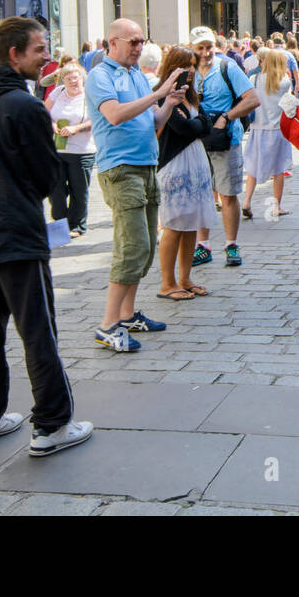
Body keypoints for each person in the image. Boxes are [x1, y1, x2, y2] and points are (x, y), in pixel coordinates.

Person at [0, 16, 92, 457]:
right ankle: (51, 425)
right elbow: (48, 175)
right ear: (14, 54)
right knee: (37, 330)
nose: (47, 55)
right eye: (39, 48)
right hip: (14, 233)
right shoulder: (24, 105)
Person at [86, 18, 187, 352]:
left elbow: (153, 121)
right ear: (112, 42)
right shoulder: (101, 76)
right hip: (121, 169)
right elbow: (114, 115)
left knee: (144, 249)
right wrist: (157, 93)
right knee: (132, 247)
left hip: (146, 166)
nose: (139, 47)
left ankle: (127, 315)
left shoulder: (136, 77)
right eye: (132, 41)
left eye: (142, 41)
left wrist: (169, 102)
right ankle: (107, 325)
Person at [189, 26, 260, 269]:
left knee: (228, 194)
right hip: (196, 140)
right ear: (193, 49)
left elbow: (253, 99)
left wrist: (227, 116)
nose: (206, 52)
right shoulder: (188, 71)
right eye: (201, 48)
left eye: (209, 47)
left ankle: (231, 244)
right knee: (200, 194)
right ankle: (203, 245)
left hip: (225, 138)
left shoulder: (226, 67)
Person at [154, 46, 217, 300]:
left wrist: (201, 124)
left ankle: (185, 277)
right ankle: (167, 283)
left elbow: (204, 125)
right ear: (172, 67)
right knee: (174, 224)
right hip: (174, 165)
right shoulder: (162, 95)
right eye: (186, 65)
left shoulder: (190, 95)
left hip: (196, 164)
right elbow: (185, 128)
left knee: (191, 223)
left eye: (193, 65)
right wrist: (201, 124)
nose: (191, 70)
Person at [45, 64, 96, 237]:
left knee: (78, 190)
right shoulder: (58, 92)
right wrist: (52, 125)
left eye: (76, 78)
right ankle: (60, 224)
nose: (73, 82)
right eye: (69, 79)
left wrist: (77, 128)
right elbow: (44, 112)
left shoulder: (90, 95)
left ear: (82, 78)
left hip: (82, 151)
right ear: (63, 81)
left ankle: (76, 225)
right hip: (58, 149)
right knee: (55, 190)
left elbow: (98, 119)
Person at [242, 48, 293, 219]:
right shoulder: (284, 81)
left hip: (257, 128)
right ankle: (276, 206)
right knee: (278, 170)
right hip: (278, 129)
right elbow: (289, 105)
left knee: (253, 168)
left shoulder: (254, 79)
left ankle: (247, 201)